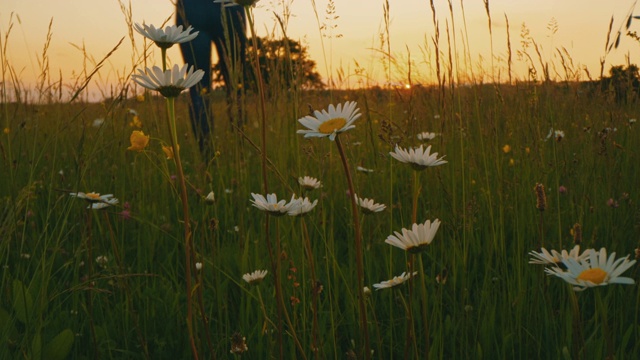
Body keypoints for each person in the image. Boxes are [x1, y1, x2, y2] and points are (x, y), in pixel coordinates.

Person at [175, 0, 247, 154]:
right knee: (236, 86)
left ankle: (207, 160)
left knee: (199, 88)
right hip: (229, 7)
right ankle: (240, 154)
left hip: (191, 8)